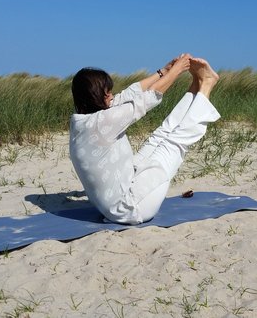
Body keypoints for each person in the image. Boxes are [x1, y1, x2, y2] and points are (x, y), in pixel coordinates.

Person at [69, 54, 220, 224]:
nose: (112, 96)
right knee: (174, 142)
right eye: (107, 93)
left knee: (159, 137)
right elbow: (146, 99)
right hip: (131, 207)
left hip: (123, 192)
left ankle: (196, 86)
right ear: (95, 97)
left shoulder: (81, 121)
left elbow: (127, 96)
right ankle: (207, 84)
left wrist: (164, 71)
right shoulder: (99, 123)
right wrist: (176, 71)